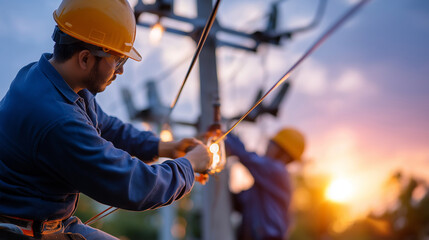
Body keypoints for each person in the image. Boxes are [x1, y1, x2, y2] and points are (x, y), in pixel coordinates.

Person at [0, 0, 212, 239]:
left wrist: (165, 147)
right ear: (85, 58)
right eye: (118, 60)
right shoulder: (56, 118)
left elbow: (108, 127)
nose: (120, 70)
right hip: (24, 231)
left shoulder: (52, 80)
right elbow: (131, 184)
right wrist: (189, 165)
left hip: (50, 221)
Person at [225, 128, 306, 240]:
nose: (267, 146)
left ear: (283, 153)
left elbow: (246, 156)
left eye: (272, 144)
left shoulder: (278, 172)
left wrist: (224, 135)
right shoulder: (264, 185)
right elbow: (241, 201)